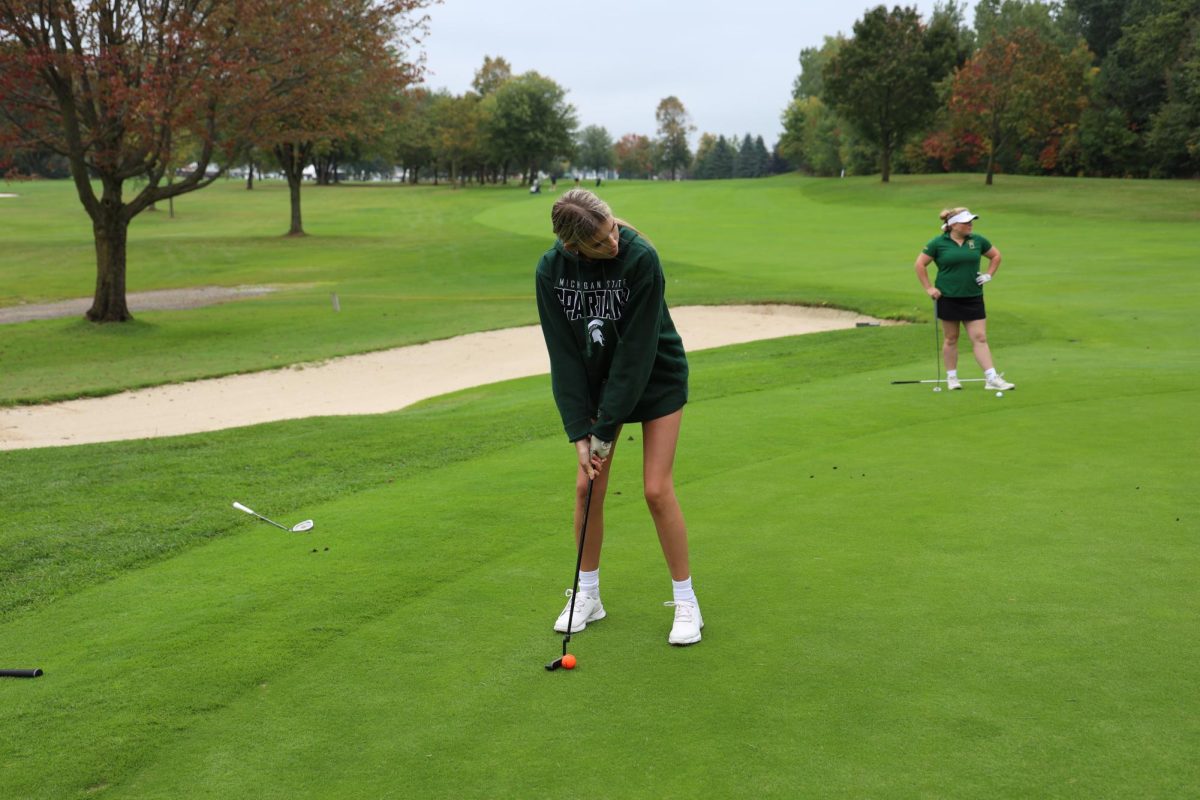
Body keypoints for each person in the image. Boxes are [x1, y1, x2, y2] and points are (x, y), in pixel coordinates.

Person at [534, 188, 702, 646]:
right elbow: (564, 356)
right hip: (595, 383)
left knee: (655, 489)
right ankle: (588, 594)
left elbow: (636, 352)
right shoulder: (551, 271)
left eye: (612, 229)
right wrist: (579, 434)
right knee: (587, 486)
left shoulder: (640, 257)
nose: (614, 242)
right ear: (574, 247)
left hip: (655, 373)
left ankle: (686, 601)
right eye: (602, 241)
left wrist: (605, 431)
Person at [914, 207, 1016, 391]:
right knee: (951, 338)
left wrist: (988, 275)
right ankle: (952, 378)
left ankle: (991, 378)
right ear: (953, 225)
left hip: (973, 296)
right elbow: (920, 264)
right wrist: (929, 288)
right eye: (966, 222)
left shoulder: (977, 241)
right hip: (948, 296)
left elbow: (996, 256)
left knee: (980, 337)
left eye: (971, 222)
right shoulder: (938, 243)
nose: (970, 225)